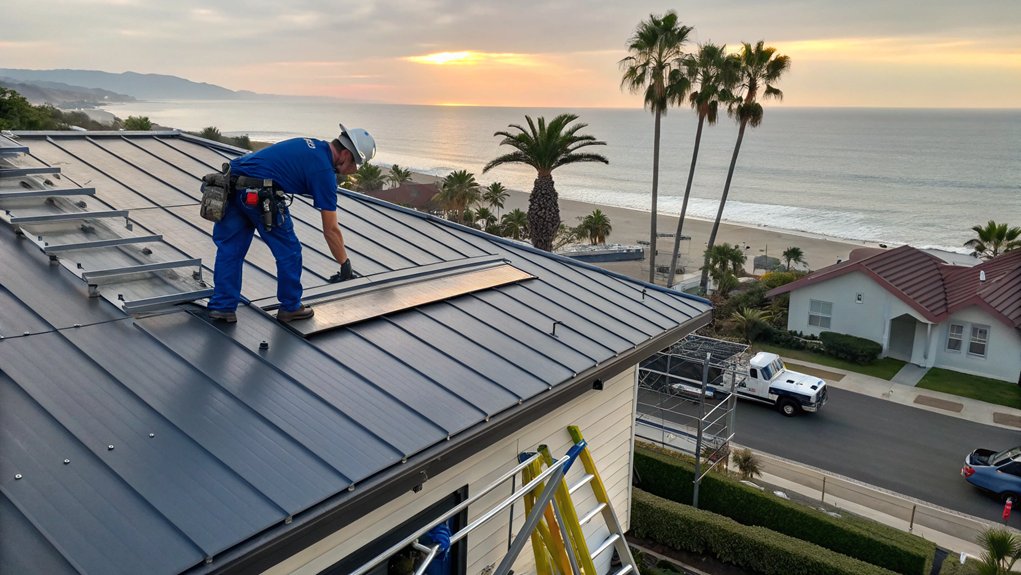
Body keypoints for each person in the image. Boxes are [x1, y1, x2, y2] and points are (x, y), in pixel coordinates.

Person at [207, 123, 376, 323]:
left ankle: (222, 308)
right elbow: (330, 229)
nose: (354, 171)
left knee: (230, 250)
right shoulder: (324, 172)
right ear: (346, 155)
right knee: (289, 251)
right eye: (356, 164)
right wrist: (344, 263)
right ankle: (291, 307)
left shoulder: (312, 145)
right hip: (259, 195)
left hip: (232, 186)